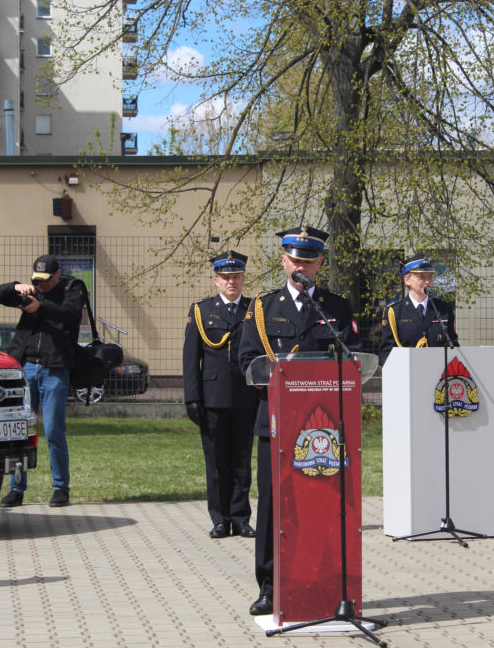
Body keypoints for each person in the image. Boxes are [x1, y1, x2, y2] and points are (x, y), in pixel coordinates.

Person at [239, 225, 361, 616]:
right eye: (294, 261)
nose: (301, 268)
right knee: (273, 505)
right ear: (283, 261)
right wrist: (277, 373)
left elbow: (354, 358)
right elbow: (246, 361)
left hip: (324, 426)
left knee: (325, 503)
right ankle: (269, 586)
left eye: (308, 262)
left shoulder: (336, 307)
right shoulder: (263, 309)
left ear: (319, 263)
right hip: (277, 423)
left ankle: (327, 581)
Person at [0, 255, 84, 507]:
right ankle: (16, 489)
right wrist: (16, 287)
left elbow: (70, 314)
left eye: (45, 280)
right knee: (19, 431)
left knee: (53, 430)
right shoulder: (32, 290)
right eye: (36, 280)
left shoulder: (71, 288)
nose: (40, 285)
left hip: (54, 369)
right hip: (26, 368)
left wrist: (39, 308)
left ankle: (60, 488)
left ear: (57, 274)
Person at [183, 250, 259, 538]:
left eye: (236, 277)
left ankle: (240, 518)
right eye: (226, 277)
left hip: (246, 397)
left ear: (243, 279)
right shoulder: (201, 311)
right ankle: (219, 519)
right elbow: (191, 359)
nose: (231, 282)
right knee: (215, 461)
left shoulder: (255, 310)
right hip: (212, 398)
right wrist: (192, 398)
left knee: (241, 460)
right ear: (216, 280)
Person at [379, 253, 458, 366]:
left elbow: (453, 345)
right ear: (407, 280)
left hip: (438, 371)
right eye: (421, 277)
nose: (427, 281)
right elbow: (387, 353)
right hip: (407, 370)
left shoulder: (443, 309)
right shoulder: (394, 312)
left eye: (430, 277)